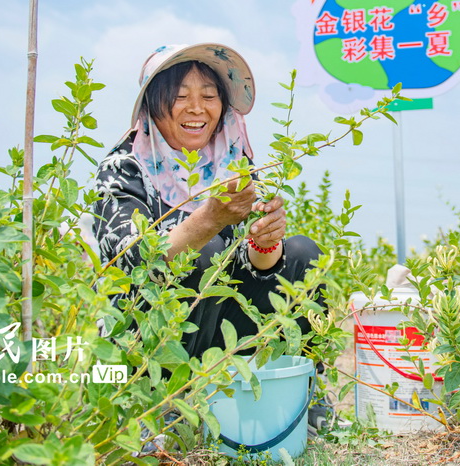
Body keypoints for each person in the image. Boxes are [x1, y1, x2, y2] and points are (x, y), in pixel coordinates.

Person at [90, 43, 323, 357]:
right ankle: (175, 400)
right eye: (180, 96)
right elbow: (129, 261)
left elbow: (252, 267)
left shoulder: (234, 164)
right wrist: (209, 221)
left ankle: (299, 389)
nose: (197, 108)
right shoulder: (125, 166)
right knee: (201, 253)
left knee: (302, 252)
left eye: (209, 96)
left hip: (217, 322)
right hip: (146, 333)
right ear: (153, 104)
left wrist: (265, 241)